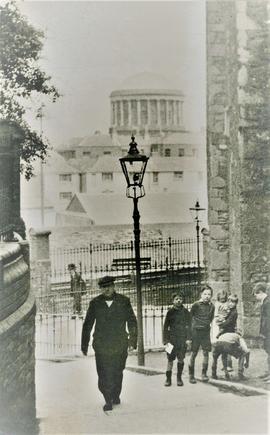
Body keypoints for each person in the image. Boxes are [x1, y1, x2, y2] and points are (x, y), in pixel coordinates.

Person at [81, 275, 137, 412]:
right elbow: (87, 324)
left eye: (109, 286)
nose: (106, 290)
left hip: (120, 343)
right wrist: (84, 344)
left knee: (118, 371)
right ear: (100, 289)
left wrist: (132, 341)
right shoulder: (95, 303)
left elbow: (132, 322)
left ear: (114, 287)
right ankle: (107, 399)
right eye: (103, 287)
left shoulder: (124, 301)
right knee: (104, 372)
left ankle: (115, 394)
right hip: (102, 344)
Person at [163, 292, 191, 387]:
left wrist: (188, 338)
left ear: (182, 300)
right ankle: (168, 379)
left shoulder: (186, 312)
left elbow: (189, 326)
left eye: (180, 299)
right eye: (176, 299)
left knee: (181, 358)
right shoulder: (170, 312)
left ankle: (179, 378)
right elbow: (165, 327)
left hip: (182, 340)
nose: (178, 300)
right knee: (170, 359)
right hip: (171, 340)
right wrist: (165, 341)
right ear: (173, 301)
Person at [189, 286, 215, 383]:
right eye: (205, 294)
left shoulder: (212, 306)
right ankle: (191, 375)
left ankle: (204, 374)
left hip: (206, 332)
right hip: (196, 332)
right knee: (194, 353)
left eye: (209, 294)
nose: (207, 296)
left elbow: (211, 318)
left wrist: (205, 325)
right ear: (201, 294)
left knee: (206, 353)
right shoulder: (196, 305)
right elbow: (190, 318)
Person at [253, 282, 270, 383]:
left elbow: (267, 320)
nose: (255, 297)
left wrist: (263, 333)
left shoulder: (267, 303)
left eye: (255, 295)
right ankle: (268, 373)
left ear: (260, 292)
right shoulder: (266, 302)